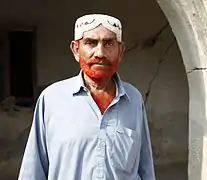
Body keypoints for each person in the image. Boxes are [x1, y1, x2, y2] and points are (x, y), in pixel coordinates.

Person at [18, 14, 156, 180]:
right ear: (76, 50)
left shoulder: (133, 99)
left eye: (109, 43)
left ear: (121, 51)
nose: (100, 53)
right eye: (91, 43)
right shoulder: (52, 99)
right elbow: (33, 170)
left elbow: (145, 167)